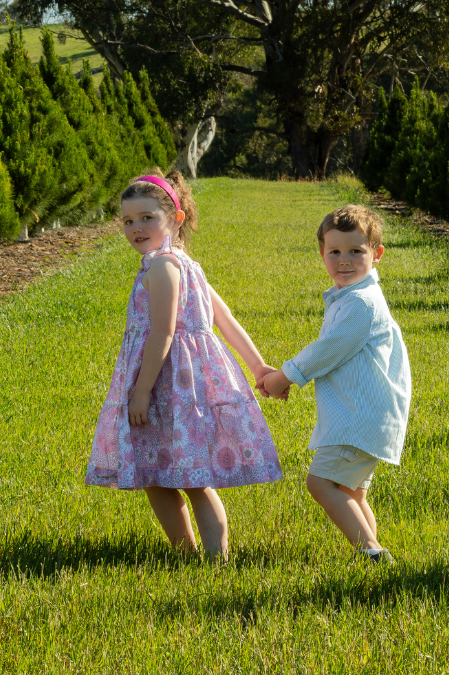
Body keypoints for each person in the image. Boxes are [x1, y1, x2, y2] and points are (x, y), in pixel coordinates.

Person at [85, 169, 283, 559]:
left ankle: (203, 555)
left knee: (175, 478)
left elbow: (164, 333)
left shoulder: (161, 267)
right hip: (184, 385)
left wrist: (140, 393)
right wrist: (258, 367)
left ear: (175, 219)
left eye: (147, 218)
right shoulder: (185, 263)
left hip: (166, 385)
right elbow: (223, 318)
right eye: (128, 221)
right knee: (173, 475)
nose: (136, 228)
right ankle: (197, 555)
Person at [258, 205, 411, 563]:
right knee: (351, 492)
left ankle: (371, 550)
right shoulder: (350, 297)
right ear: (322, 254)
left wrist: (284, 376)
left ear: (377, 254)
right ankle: (376, 555)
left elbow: (326, 352)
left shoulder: (362, 304)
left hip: (359, 419)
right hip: (362, 416)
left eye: (356, 251)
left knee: (321, 483)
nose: (345, 260)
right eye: (335, 252)